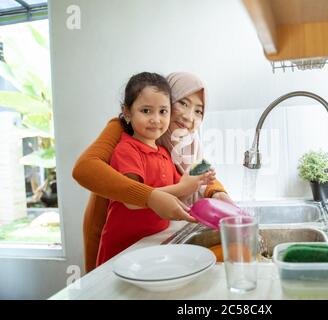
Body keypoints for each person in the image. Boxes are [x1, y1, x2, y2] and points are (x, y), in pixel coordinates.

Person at [72, 72, 234, 272]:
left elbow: (198, 170)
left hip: (148, 241)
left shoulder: (182, 142)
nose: (188, 116)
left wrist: (217, 192)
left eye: (199, 111)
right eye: (182, 103)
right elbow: (84, 168)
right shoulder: (123, 130)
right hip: (114, 239)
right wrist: (152, 196)